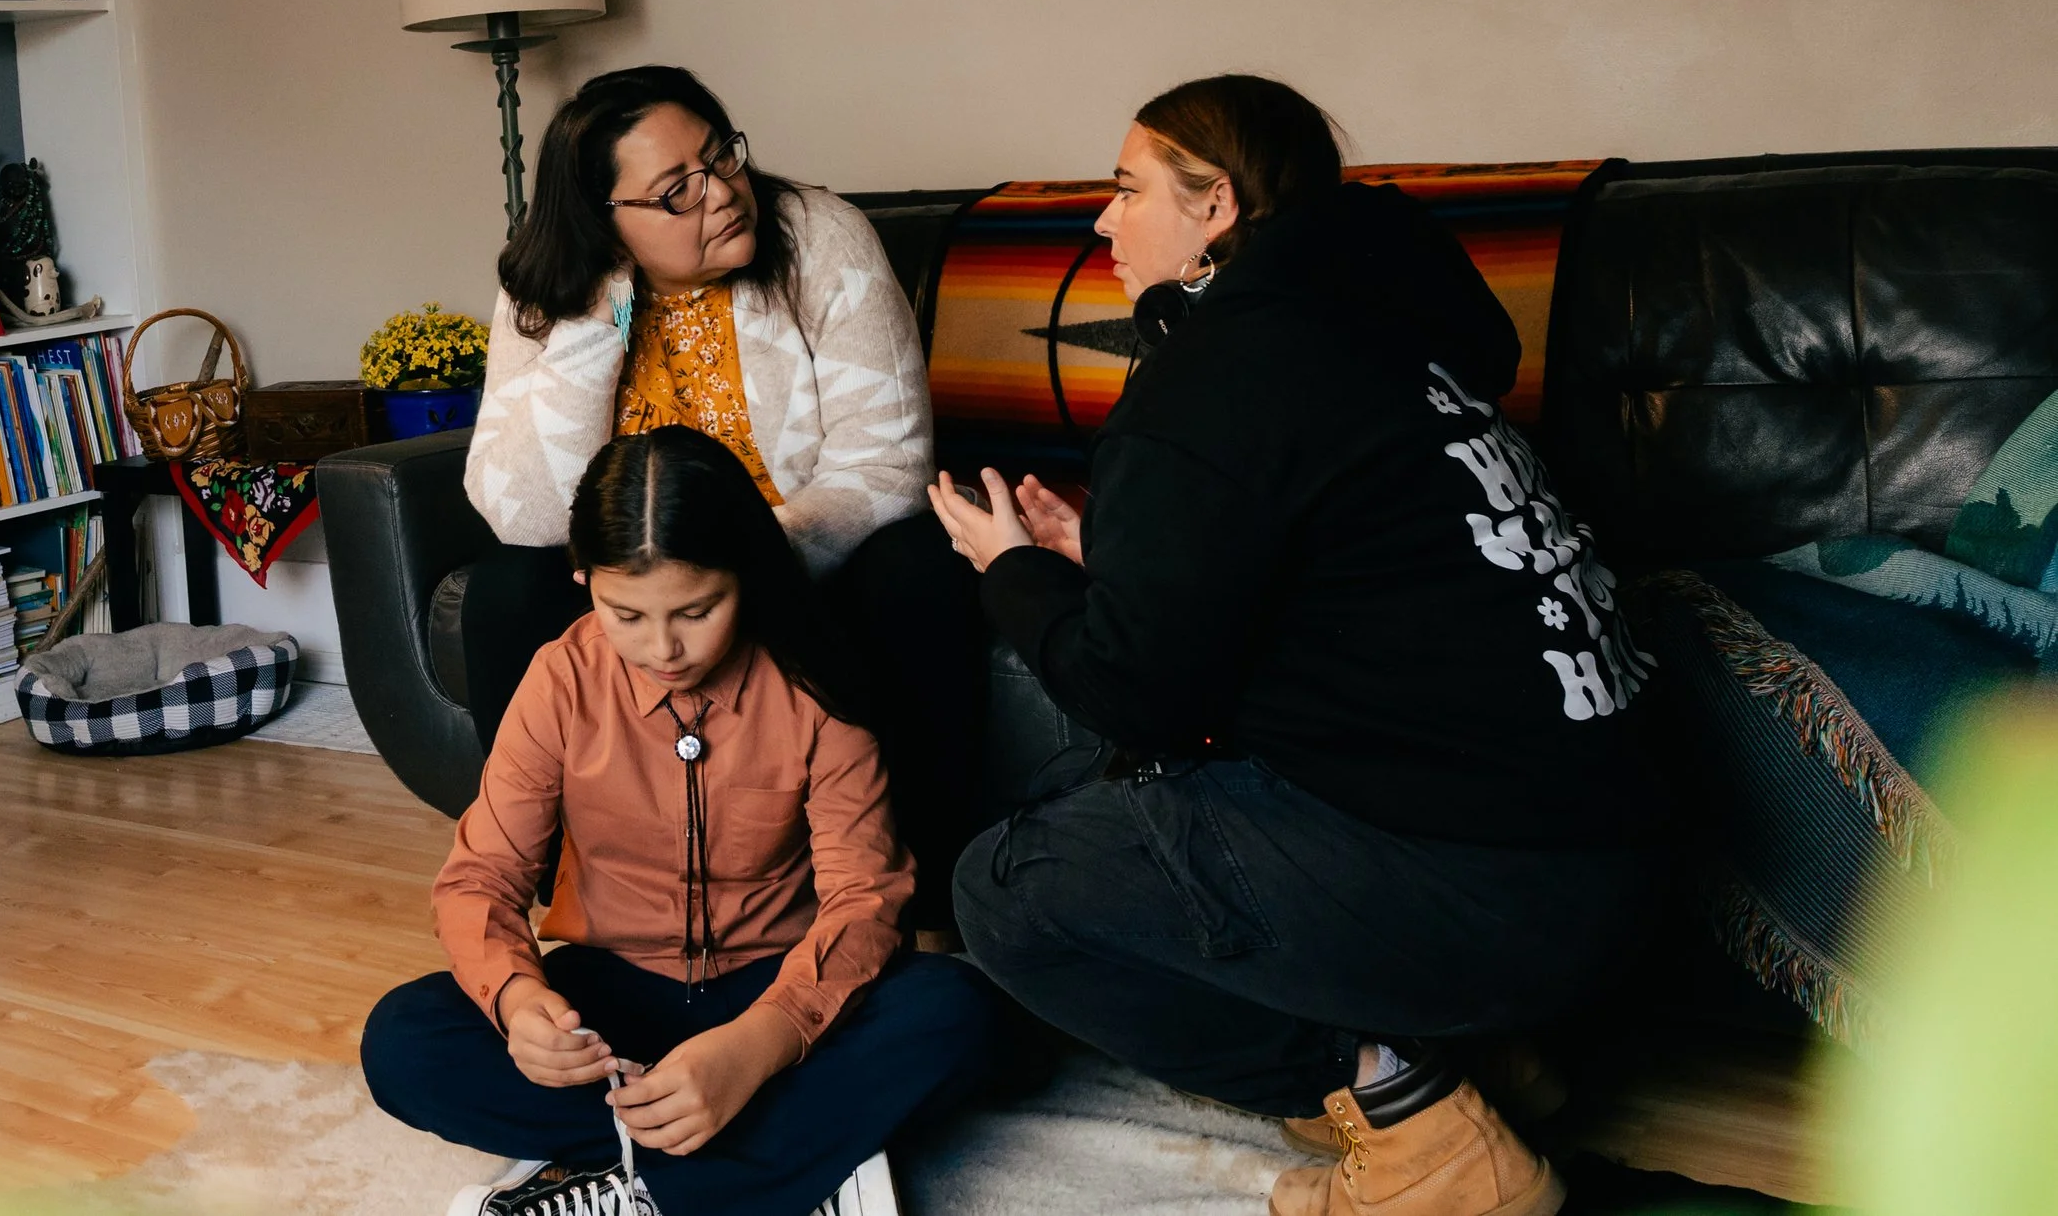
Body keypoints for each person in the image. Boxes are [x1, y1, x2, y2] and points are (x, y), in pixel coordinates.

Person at [927, 76, 1657, 1216]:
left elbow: (1136, 695)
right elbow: (1336, 590)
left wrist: (1009, 570)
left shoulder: (1218, 374)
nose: (1101, 220)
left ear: (1214, 204)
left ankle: (1423, 1122)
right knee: (1100, 796)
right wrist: (1110, 555)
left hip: (1494, 893)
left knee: (1011, 886)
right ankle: (1481, 1062)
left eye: (1125, 188)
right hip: (1605, 867)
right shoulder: (1385, 329)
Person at [365, 427, 999, 1216]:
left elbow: (863, 899)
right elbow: (481, 878)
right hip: (614, 1004)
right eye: (624, 613)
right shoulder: (561, 678)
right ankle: (770, 1159)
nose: (663, 648)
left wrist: (756, 1047)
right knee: (403, 1039)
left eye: (698, 610)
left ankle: (647, 1184)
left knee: (958, 1014)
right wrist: (520, 1002)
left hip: (776, 986)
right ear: (582, 578)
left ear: (747, 576)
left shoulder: (815, 679)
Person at [462, 65, 985, 919]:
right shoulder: (555, 284)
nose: (722, 193)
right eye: (676, 192)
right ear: (607, 221)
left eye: (722, 158)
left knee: (918, 566)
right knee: (504, 589)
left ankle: (927, 913)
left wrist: (744, 569)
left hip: (803, 557)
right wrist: (604, 305)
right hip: (633, 570)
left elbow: (888, 462)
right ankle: (556, 903)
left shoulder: (821, 236)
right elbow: (520, 509)